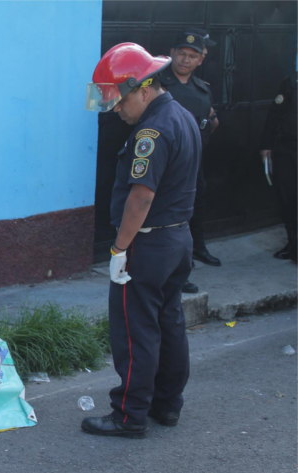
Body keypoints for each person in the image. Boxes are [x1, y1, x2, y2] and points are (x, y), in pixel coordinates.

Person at [83, 43, 202, 439]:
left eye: (120, 100)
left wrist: (119, 248)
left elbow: (141, 196)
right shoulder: (182, 115)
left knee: (135, 329)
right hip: (177, 239)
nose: (117, 110)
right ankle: (167, 405)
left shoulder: (150, 132)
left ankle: (130, 414)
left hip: (147, 244)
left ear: (144, 88)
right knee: (169, 323)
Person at [159, 28, 221, 294]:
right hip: (163, 166)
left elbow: (211, 120)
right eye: (181, 53)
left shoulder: (202, 89)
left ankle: (198, 250)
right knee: (170, 217)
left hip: (192, 163)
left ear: (200, 60)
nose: (186, 59)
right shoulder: (158, 83)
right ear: (172, 54)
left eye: (192, 56)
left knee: (196, 204)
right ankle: (175, 272)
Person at [260, 72, 298, 261]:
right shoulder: (291, 82)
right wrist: (266, 145)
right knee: (288, 197)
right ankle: (293, 243)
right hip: (289, 149)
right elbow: (275, 115)